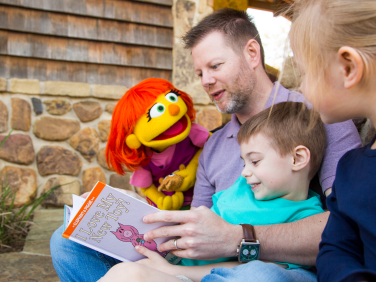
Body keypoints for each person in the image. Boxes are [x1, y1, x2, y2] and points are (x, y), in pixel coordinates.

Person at [50, 8, 361, 282]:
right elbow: (197, 223)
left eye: (215, 66)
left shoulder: (321, 114)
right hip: (202, 269)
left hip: (272, 269)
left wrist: (238, 238)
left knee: (257, 276)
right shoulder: (213, 146)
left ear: (252, 54)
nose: (205, 81)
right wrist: (145, 219)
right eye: (200, 73)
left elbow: (349, 224)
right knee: (66, 244)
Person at [98, 102, 326, 282]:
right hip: (171, 259)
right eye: (244, 162)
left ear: (297, 159)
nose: (245, 172)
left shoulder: (306, 218)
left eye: (255, 161)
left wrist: (167, 271)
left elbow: (254, 270)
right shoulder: (243, 188)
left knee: (128, 276)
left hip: (193, 276)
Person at [288, 1, 376, 281]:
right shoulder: (351, 169)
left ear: (348, 68)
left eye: (305, 72)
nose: (301, 87)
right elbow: (335, 248)